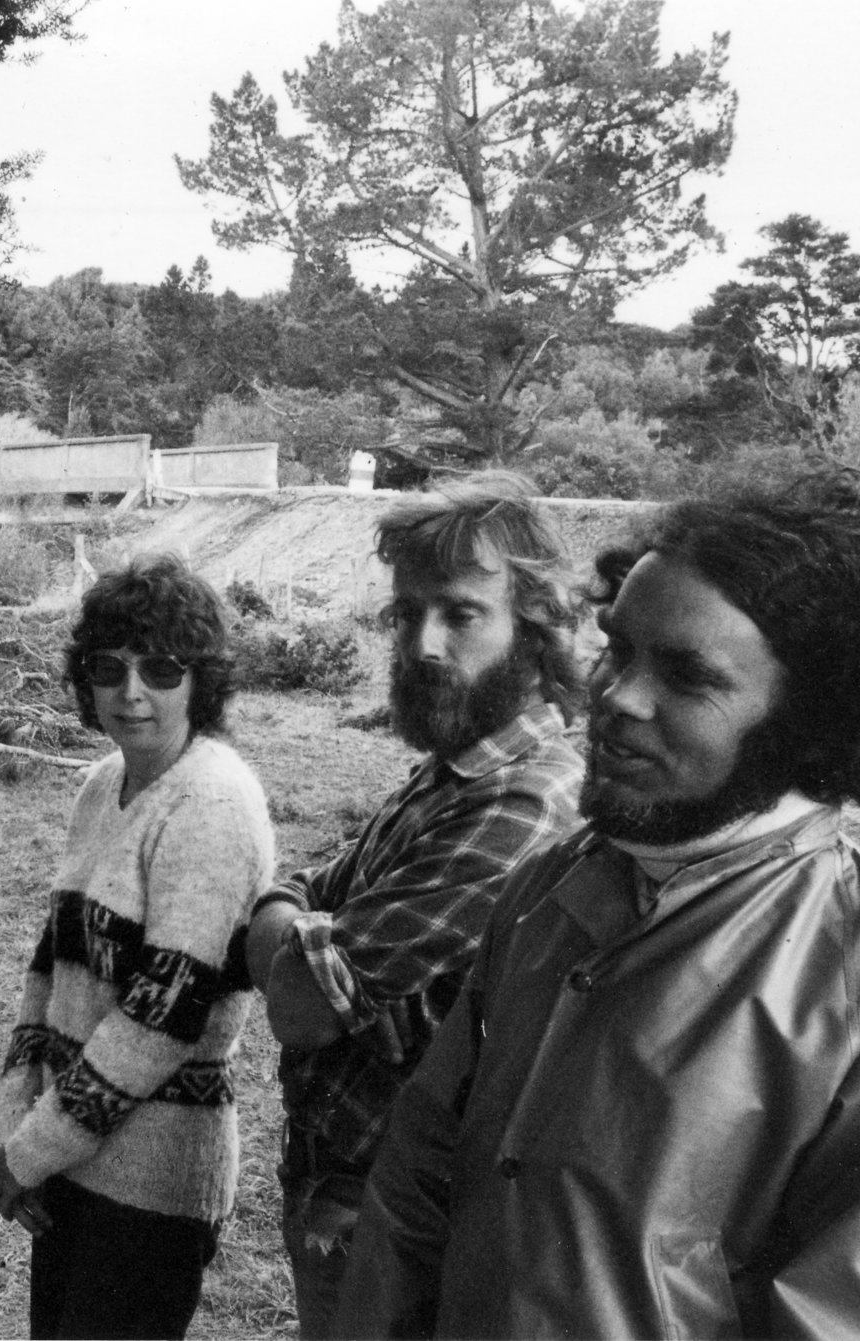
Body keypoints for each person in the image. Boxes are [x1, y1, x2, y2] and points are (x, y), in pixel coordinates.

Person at [330, 473, 860, 1339]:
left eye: (685, 675)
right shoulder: (549, 887)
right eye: (617, 649)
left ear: (805, 715)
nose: (616, 697)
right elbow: (419, 1179)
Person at [244, 473, 586, 1336]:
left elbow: (294, 1004)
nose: (424, 644)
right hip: (342, 1184)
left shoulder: (520, 803)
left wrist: (291, 929)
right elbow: (300, 901)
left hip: (396, 1217)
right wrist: (298, 921)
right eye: (406, 614)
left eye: (461, 613)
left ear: (534, 626)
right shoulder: (454, 770)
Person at [0, 552, 276, 1340]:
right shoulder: (100, 783)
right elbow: (51, 962)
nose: (132, 691)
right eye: (108, 668)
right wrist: (19, 1124)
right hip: (71, 1160)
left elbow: (162, 1018)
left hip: (150, 1182)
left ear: (201, 679)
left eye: (161, 668)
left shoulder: (212, 803)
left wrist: (31, 1148)